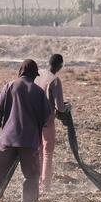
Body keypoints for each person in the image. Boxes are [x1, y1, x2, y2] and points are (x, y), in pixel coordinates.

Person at [0, 59, 53, 202]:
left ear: (21, 71)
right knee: (31, 176)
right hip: (29, 142)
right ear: (33, 74)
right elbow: (46, 117)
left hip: (8, 140)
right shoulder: (38, 92)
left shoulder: (10, 86)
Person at [35, 53, 67, 193]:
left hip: (35, 120)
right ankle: (46, 185)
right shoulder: (54, 80)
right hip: (47, 121)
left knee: (38, 151)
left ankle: (36, 182)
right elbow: (60, 107)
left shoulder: (39, 74)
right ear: (60, 66)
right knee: (47, 152)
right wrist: (67, 108)